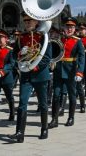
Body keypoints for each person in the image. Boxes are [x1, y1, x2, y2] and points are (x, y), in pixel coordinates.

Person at [9, 12, 52, 142]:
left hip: (40, 75)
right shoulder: (21, 37)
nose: (27, 23)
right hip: (26, 75)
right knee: (22, 103)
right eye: (26, 21)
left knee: (43, 103)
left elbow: (47, 58)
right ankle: (19, 132)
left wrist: (34, 66)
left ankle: (44, 128)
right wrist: (19, 57)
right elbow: (14, 54)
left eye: (30, 21)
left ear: (36, 22)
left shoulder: (43, 37)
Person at [49, 17, 84, 128]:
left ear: (74, 29)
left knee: (72, 95)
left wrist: (79, 72)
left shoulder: (77, 41)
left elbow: (82, 58)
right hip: (59, 70)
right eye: (67, 27)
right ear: (64, 27)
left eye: (72, 27)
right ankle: (54, 119)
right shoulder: (60, 39)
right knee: (56, 95)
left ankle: (71, 118)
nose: (69, 29)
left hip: (71, 71)